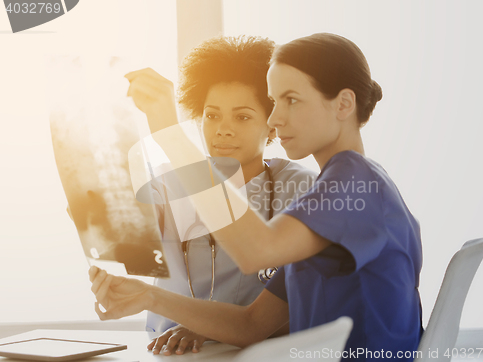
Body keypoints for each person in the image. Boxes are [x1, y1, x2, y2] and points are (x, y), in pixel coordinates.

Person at [90, 33, 423, 361]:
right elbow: (252, 325)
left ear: (344, 104)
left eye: (290, 100)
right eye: (275, 102)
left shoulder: (352, 183)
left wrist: (170, 135)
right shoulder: (334, 197)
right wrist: (149, 296)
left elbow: (256, 252)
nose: (275, 119)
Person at [139, 36, 317, 355]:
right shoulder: (167, 180)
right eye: (212, 115)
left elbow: (304, 305)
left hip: (257, 354)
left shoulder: (301, 187)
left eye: (242, 116)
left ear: (272, 125)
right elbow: (119, 233)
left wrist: (207, 327)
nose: (223, 129)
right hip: (167, 352)